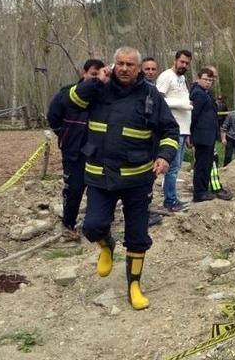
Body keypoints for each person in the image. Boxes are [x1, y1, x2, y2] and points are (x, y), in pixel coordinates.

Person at [66, 46, 179, 310]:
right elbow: (71, 103)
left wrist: (164, 156)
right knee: (92, 226)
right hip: (99, 176)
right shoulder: (98, 88)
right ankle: (107, 245)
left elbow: (170, 130)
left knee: (138, 235)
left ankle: (134, 285)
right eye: (120, 63)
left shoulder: (151, 94)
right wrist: (95, 82)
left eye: (130, 64)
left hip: (138, 179)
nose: (125, 68)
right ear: (112, 65)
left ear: (139, 68)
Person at [47, 59, 104, 241]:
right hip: (74, 151)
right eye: (93, 75)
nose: (96, 79)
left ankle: (95, 225)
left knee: (97, 188)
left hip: (98, 152)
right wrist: (65, 135)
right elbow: (53, 117)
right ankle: (68, 224)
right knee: (73, 189)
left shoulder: (103, 96)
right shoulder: (68, 93)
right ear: (84, 73)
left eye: (99, 75)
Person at [155, 50, 193, 212]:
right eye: (182, 62)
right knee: (172, 167)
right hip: (173, 129)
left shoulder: (182, 78)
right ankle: (169, 201)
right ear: (175, 60)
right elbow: (158, 99)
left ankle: (173, 198)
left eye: (187, 63)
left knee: (177, 167)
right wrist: (181, 104)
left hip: (184, 129)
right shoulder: (166, 76)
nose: (184, 65)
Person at [190, 68, 231, 201]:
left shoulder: (206, 93)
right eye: (205, 79)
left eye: (210, 80)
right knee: (201, 164)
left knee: (207, 163)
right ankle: (199, 193)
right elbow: (193, 115)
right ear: (198, 78)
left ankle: (204, 189)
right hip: (201, 135)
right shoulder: (197, 93)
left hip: (209, 135)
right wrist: (190, 134)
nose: (208, 82)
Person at [204, 65, 233, 200]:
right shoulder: (200, 92)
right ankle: (215, 188)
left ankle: (210, 187)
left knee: (211, 160)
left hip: (210, 132)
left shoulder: (208, 93)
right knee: (211, 161)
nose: (213, 80)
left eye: (214, 78)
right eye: (211, 77)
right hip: (204, 134)